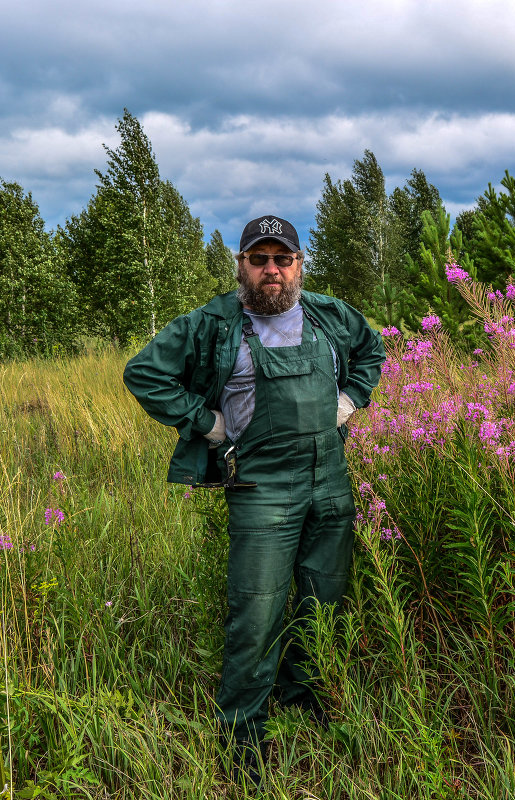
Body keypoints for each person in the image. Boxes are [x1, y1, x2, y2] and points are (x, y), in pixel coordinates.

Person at [123, 215, 385, 785]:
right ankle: (243, 737)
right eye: (259, 259)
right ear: (241, 264)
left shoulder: (329, 314)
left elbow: (372, 351)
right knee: (257, 611)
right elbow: (143, 373)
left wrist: (350, 401)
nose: (272, 271)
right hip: (261, 488)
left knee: (324, 597)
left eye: (282, 259)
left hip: (330, 481)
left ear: (298, 264)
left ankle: (303, 694)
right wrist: (209, 424)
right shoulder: (214, 322)